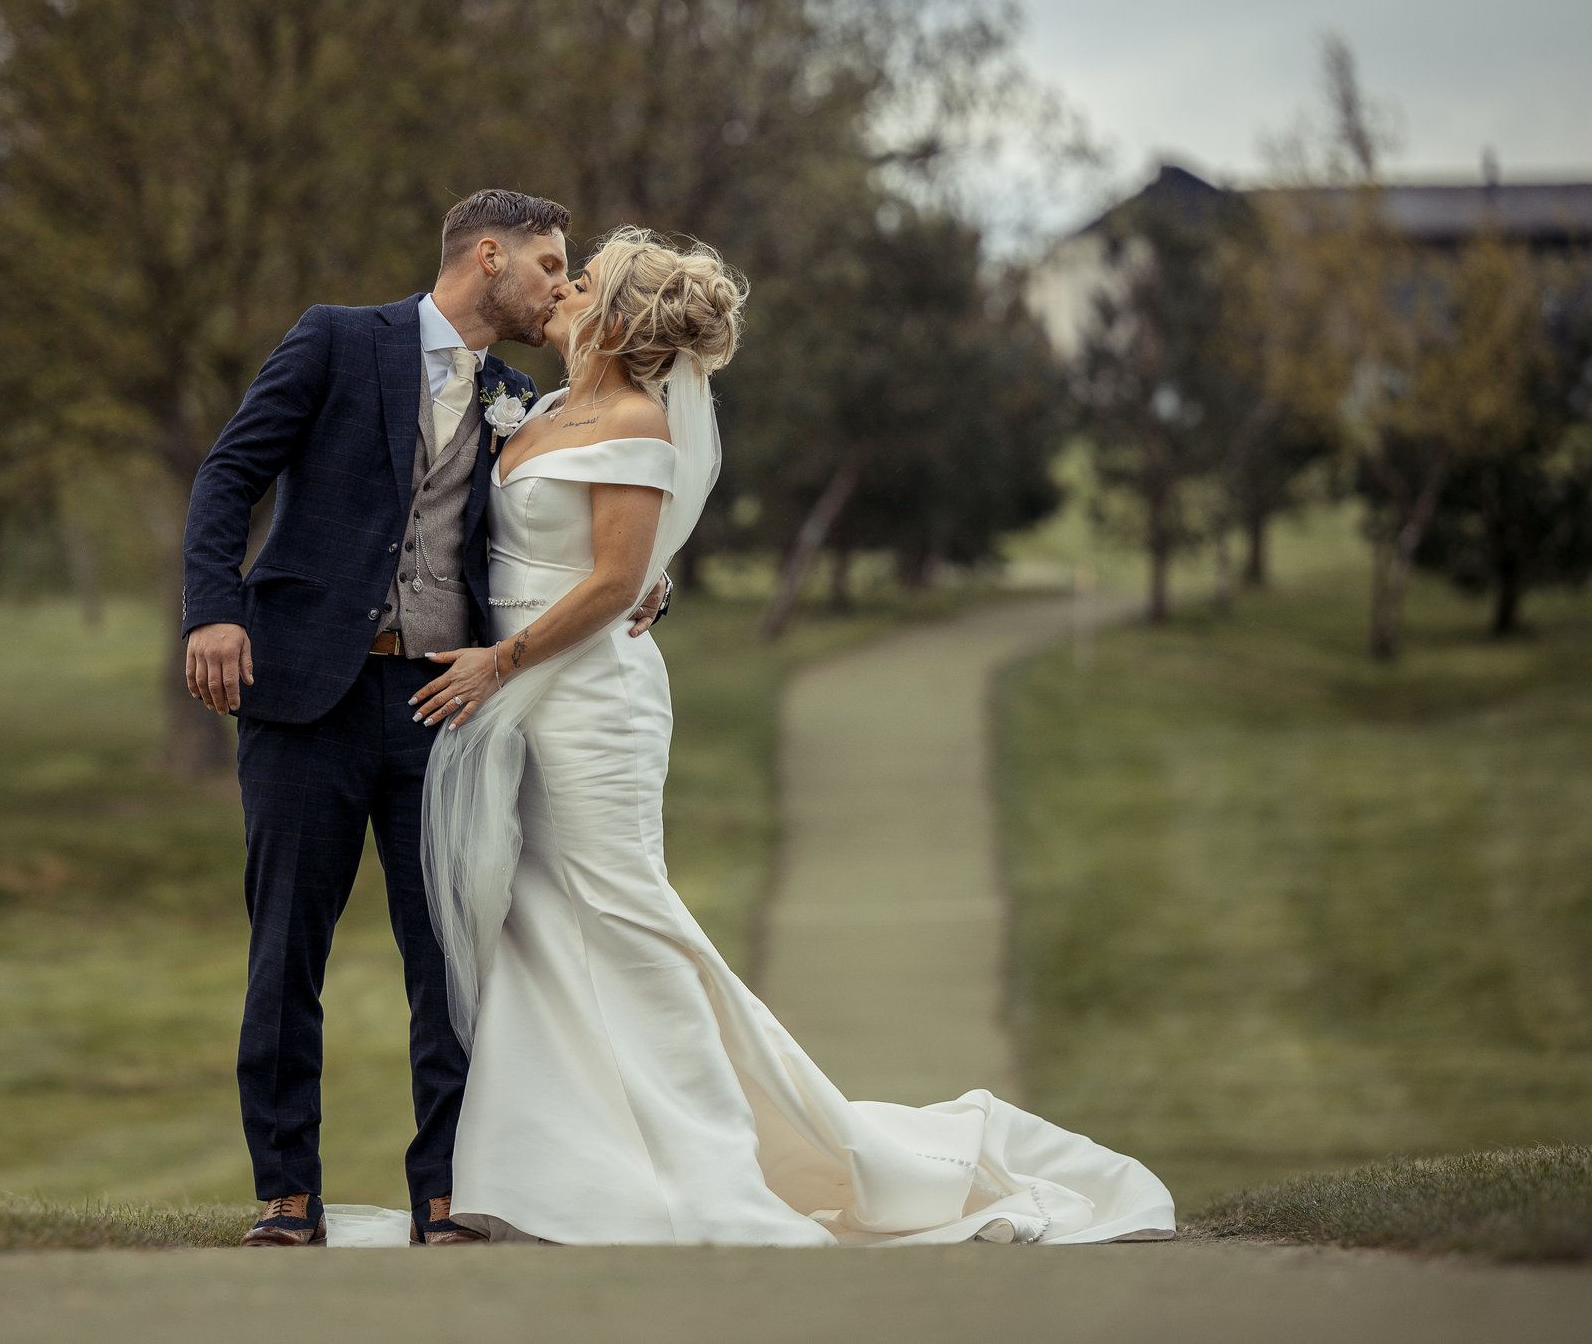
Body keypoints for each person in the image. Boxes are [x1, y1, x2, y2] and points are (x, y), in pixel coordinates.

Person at [396, 225, 1177, 1247]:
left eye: (579, 281)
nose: (562, 293)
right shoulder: (537, 409)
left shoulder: (633, 419)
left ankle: (715, 1151)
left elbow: (616, 581)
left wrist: (502, 660)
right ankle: (550, 1168)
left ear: (618, 316)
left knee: (621, 905)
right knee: (534, 910)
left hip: (587, 699)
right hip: (519, 696)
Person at [179, 190, 671, 1249]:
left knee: (449, 951)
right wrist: (214, 611)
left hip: (440, 703)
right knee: (286, 948)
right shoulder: (334, 339)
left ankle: (445, 1192)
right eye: (547, 262)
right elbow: (228, 473)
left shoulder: (521, 399)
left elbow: (569, 528)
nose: (561, 285)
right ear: (484, 256)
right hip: (307, 693)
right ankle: (285, 1192)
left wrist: (639, 584)